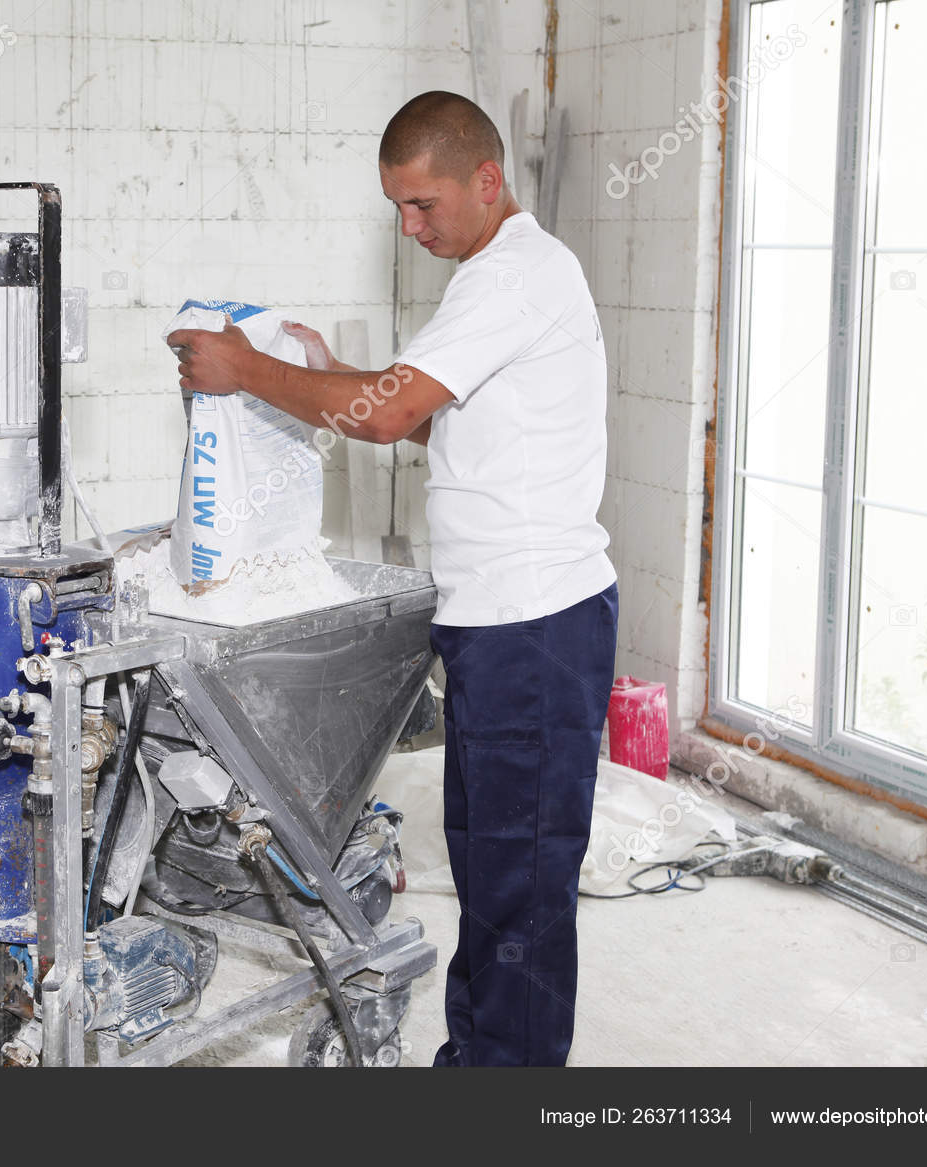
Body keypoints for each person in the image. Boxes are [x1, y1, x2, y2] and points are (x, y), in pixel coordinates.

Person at [166, 90, 617, 1066]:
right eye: (397, 210)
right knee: (491, 874)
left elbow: (382, 415)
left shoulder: (516, 275)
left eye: (422, 205)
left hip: (535, 628)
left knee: (520, 893)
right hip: (501, 624)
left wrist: (246, 371)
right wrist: (332, 372)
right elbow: (425, 418)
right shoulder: (494, 277)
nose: (410, 229)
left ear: (486, 180)